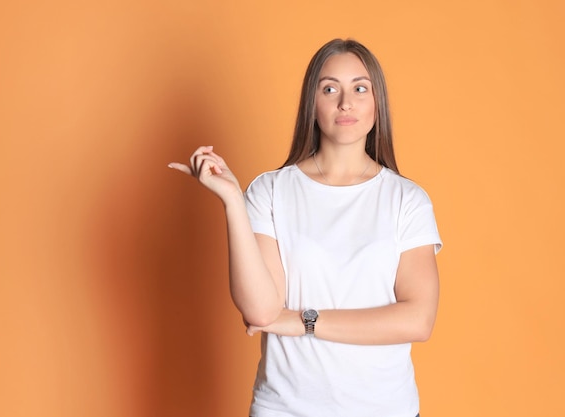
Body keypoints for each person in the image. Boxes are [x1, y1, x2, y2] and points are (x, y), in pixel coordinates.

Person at [169, 38, 442, 417]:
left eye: (360, 88)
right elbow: (263, 311)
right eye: (330, 88)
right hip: (286, 408)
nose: (345, 102)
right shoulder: (270, 191)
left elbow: (417, 319)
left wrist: (302, 322)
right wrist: (233, 201)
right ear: (311, 105)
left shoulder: (407, 200)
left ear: (377, 103)